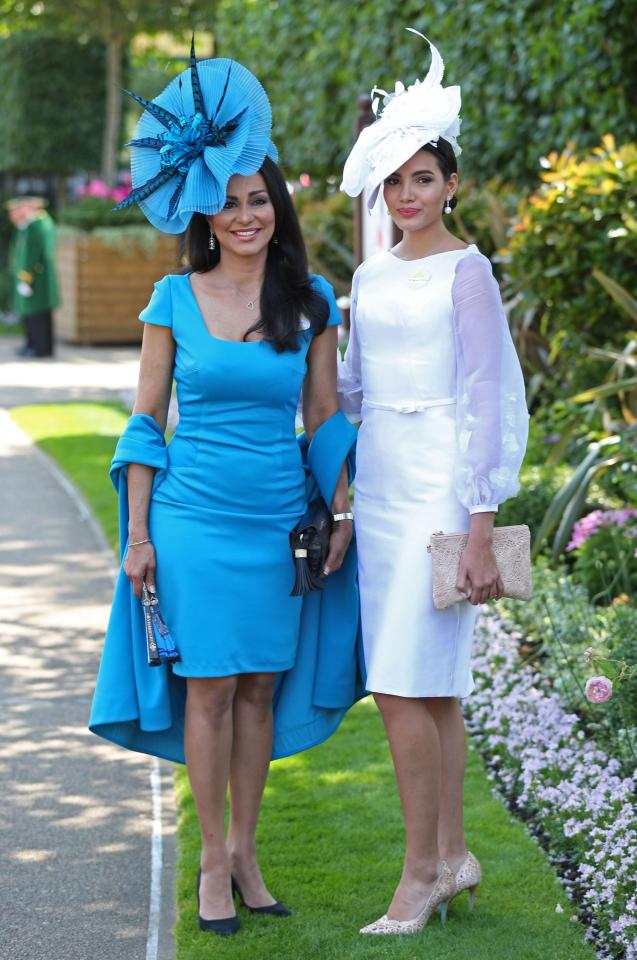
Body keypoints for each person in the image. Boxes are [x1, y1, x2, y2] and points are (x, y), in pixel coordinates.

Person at [89, 42, 357, 937]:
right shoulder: (172, 297)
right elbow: (144, 425)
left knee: (257, 693)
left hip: (277, 522)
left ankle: (247, 851)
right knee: (207, 688)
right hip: (193, 522)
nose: (246, 216)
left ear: (277, 209)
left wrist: (345, 511)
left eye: (260, 201)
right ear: (206, 210)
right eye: (231, 202)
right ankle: (211, 860)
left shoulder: (312, 301)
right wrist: (136, 537)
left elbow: (322, 421)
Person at [339, 31, 529, 936]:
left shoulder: (467, 273)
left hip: (438, 498)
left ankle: (418, 877)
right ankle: (451, 857)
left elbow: (485, 401)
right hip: (377, 492)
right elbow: (349, 387)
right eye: (395, 181)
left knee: (406, 684)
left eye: (423, 178)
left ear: (449, 183)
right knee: (430, 689)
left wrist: (480, 525)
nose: (407, 195)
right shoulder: (369, 275)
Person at [7, 195, 59, 357]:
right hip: (33, 277)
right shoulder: (31, 225)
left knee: (38, 315)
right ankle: (33, 345)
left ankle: (40, 348)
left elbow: (33, 255)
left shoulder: (36, 226)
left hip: (36, 278)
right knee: (33, 315)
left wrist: (26, 278)